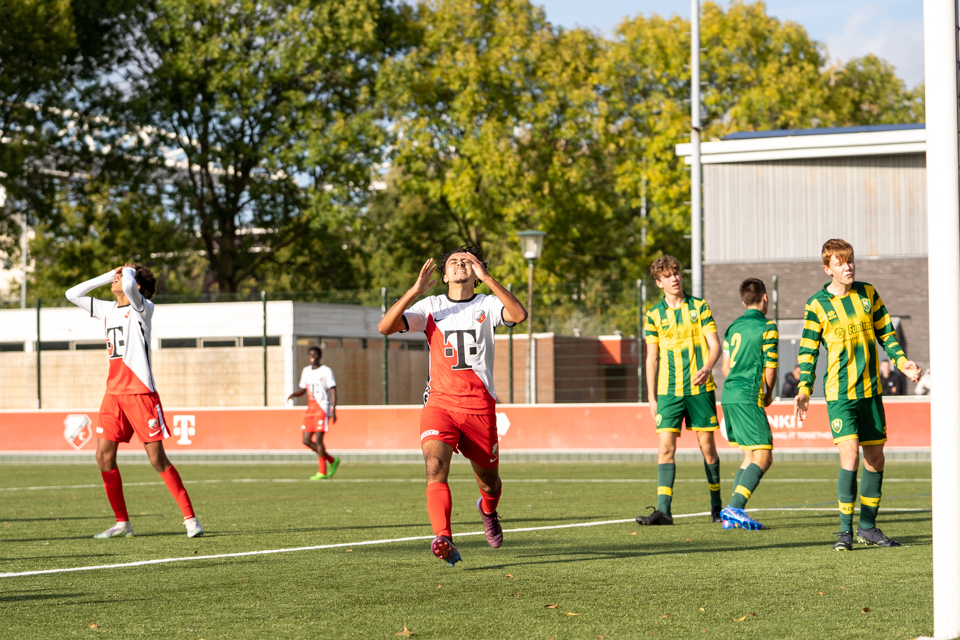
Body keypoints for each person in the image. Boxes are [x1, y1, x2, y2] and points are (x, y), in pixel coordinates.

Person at [377, 246, 526, 566]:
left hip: (479, 407)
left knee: (489, 482)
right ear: (444, 276)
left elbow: (519, 316)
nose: (461, 264)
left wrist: (490, 279)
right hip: (440, 404)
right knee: (434, 467)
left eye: (468, 261)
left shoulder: (487, 303)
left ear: (477, 273)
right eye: (454, 262)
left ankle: (487, 509)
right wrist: (413, 291)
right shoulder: (430, 305)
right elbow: (385, 327)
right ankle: (443, 537)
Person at [793, 239, 921, 551]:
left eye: (850, 261)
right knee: (850, 456)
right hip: (840, 394)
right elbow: (808, 351)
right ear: (827, 269)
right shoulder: (816, 305)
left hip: (871, 392)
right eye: (840, 263)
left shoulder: (869, 293)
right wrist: (804, 388)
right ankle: (844, 533)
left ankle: (868, 527)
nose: (847, 267)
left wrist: (902, 362)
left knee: (875, 459)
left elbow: (886, 334)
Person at [65, 265, 203, 539]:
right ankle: (122, 523)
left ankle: (190, 519)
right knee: (103, 457)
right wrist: (109, 275)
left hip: (141, 393)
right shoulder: (107, 309)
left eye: (121, 277)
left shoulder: (144, 307)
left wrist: (128, 271)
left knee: (156, 459)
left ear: (137, 286)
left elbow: (129, 287)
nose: (117, 279)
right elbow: (72, 293)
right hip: (113, 395)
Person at [636, 255, 724, 527]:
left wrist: (708, 367)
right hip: (668, 392)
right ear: (659, 282)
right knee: (665, 448)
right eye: (667, 275)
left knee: (707, 448)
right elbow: (651, 358)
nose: (674, 278)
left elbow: (715, 345)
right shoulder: (654, 315)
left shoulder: (699, 307)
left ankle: (716, 505)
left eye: (676, 273)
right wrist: (651, 397)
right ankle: (663, 511)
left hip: (700, 390)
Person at [719, 278, 778, 530]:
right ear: (765, 297)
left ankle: (730, 518)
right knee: (764, 456)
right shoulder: (768, 327)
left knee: (749, 455)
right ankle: (734, 508)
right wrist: (768, 393)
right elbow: (770, 368)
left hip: (729, 394)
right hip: (748, 394)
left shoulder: (732, 328)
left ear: (744, 302)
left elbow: (724, 367)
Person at [288, 346, 339, 480]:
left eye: (315, 354)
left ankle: (322, 472)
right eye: (311, 354)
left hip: (322, 408)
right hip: (310, 408)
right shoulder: (306, 371)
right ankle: (332, 460)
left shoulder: (326, 371)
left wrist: (334, 409)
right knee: (305, 440)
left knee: (319, 440)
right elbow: (303, 389)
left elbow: (333, 389)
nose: (313, 356)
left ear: (319, 356)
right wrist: (294, 394)